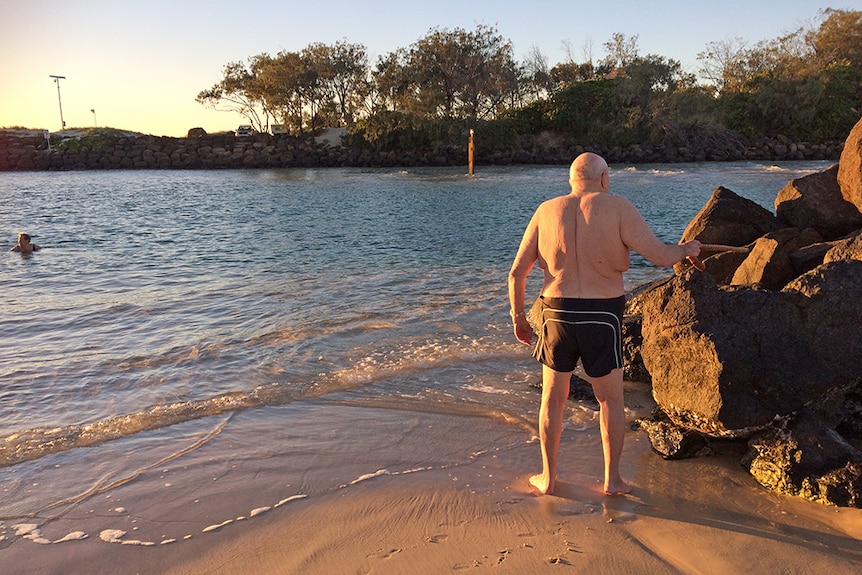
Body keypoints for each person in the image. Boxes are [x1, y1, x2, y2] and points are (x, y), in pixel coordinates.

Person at [508, 152, 701, 496]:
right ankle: (612, 480)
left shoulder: (546, 210)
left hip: (556, 313)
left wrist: (519, 318)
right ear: (604, 178)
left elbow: (516, 273)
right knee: (610, 399)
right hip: (603, 315)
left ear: (571, 180)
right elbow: (659, 256)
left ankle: (548, 478)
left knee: (553, 398)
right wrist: (688, 248)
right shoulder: (617, 206)